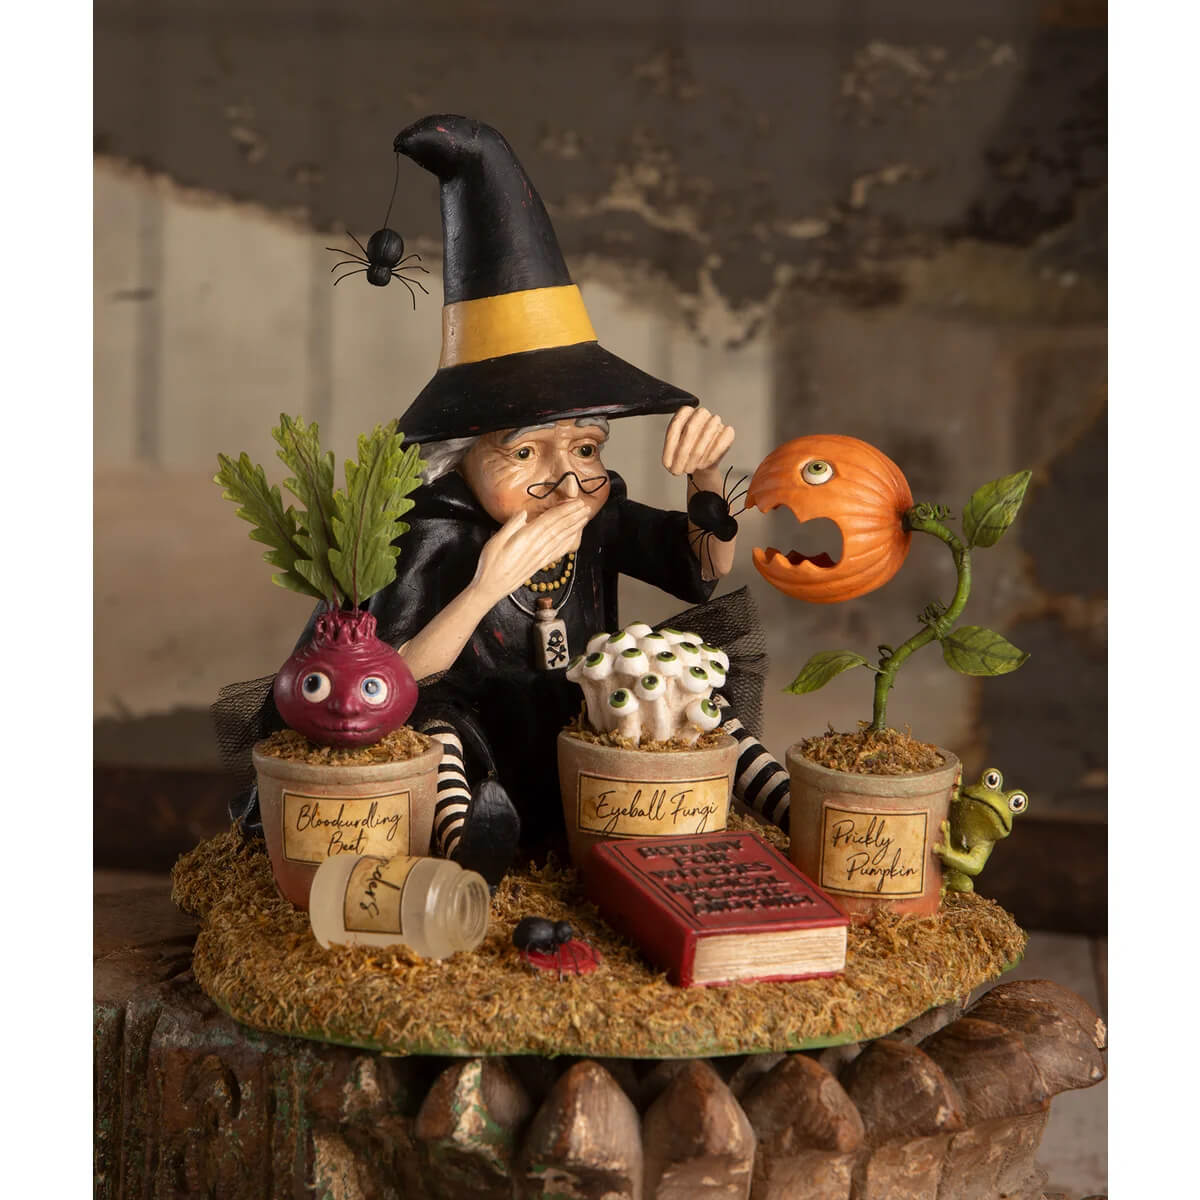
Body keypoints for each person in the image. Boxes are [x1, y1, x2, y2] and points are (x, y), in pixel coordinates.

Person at [226, 115, 790, 883]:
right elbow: (392, 678)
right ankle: (470, 844)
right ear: (460, 456)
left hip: (578, 726)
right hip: (477, 732)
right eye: (525, 452)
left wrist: (705, 485)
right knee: (439, 729)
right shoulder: (432, 530)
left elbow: (702, 571)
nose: (567, 478)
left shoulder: (595, 513)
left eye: (585, 448)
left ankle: (786, 806)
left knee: (691, 692)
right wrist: (487, 585)